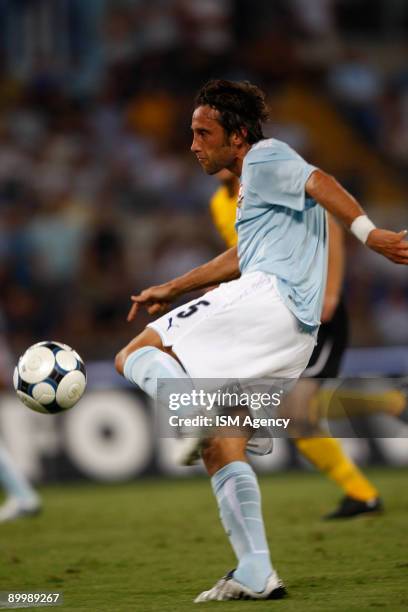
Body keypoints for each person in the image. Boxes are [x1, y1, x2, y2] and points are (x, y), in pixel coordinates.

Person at [115, 79, 408, 602]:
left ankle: (192, 406)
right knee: (221, 444)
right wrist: (174, 287)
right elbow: (240, 257)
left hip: (269, 301)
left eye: (204, 132)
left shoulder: (266, 157)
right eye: (192, 133)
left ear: (239, 135)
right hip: (293, 334)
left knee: (134, 355)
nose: (193, 144)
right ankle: (255, 571)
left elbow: (321, 179)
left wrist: (372, 234)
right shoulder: (253, 185)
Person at [210, 169, 383, 519]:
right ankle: (363, 490)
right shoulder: (219, 203)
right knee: (296, 417)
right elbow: (246, 256)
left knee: (297, 414)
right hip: (279, 315)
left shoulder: (266, 185)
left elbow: (329, 227)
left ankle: (364, 493)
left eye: (208, 135)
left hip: (318, 315)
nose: (201, 148)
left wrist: (332, 292)